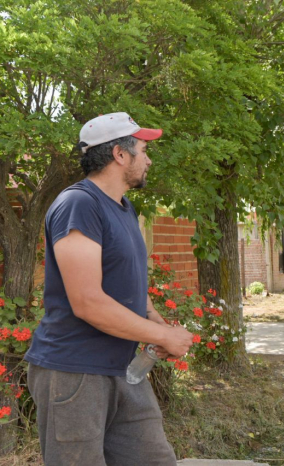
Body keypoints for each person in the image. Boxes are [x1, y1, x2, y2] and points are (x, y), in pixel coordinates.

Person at [25, 112, 194, 465]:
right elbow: (88, 302)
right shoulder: (79, 204)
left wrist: (153, 319)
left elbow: (123, 278)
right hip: (74, 372)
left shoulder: (123, 208)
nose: (148, 159)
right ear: (119, 154)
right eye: (143, 149)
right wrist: (163, 337)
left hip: (123, 368)